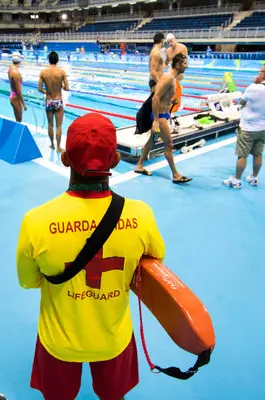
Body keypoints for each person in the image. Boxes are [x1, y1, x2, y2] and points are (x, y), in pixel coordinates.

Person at [16, 112, 166, 400]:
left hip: (58, 341)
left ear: (64, 158)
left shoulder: (35, 221)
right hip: (113, 338)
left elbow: (28, 281)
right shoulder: (141, 215)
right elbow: (154, 262)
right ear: (115, 160)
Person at [134, 53, 192, 184]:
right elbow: (155, 98)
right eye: (184, 63)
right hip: (159, 117)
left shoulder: (171, 78)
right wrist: (155, 120)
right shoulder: (168, 78)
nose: (186, 66)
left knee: (152, 141)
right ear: (177, 65)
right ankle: (176, 175)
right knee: (168, 145)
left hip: (163, 114)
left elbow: (162, 97)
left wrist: (171, 100)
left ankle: (139, 165)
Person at [223, 61, 265, 189]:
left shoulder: (253, 87)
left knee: (242, 155)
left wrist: (255, 84)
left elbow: (242, 103)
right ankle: (254, 178)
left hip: (248, 128)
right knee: (258, 154)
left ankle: (236, 180)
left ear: (264, 74)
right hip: (263, 128)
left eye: (260, 71)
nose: (258, 73)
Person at [38, 51, 69, 152]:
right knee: (59, 125)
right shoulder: (62, 72)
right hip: (58, 100)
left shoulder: (43, 72)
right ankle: (58, 147)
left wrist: (46, 92)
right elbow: (67, 88)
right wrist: (62, 86)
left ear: (48, 60)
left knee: (50, 125)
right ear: (58, 60)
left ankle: (52, 144)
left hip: (49, 100)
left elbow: (39, 89)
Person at [8, 52, 27, 122]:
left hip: (13, 95)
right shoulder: (16, 73)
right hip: (16, 97)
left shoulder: (10, 68)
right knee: (19, 120)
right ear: (20, 61)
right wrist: (24, 104)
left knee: (17, 119)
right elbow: (18, 91)